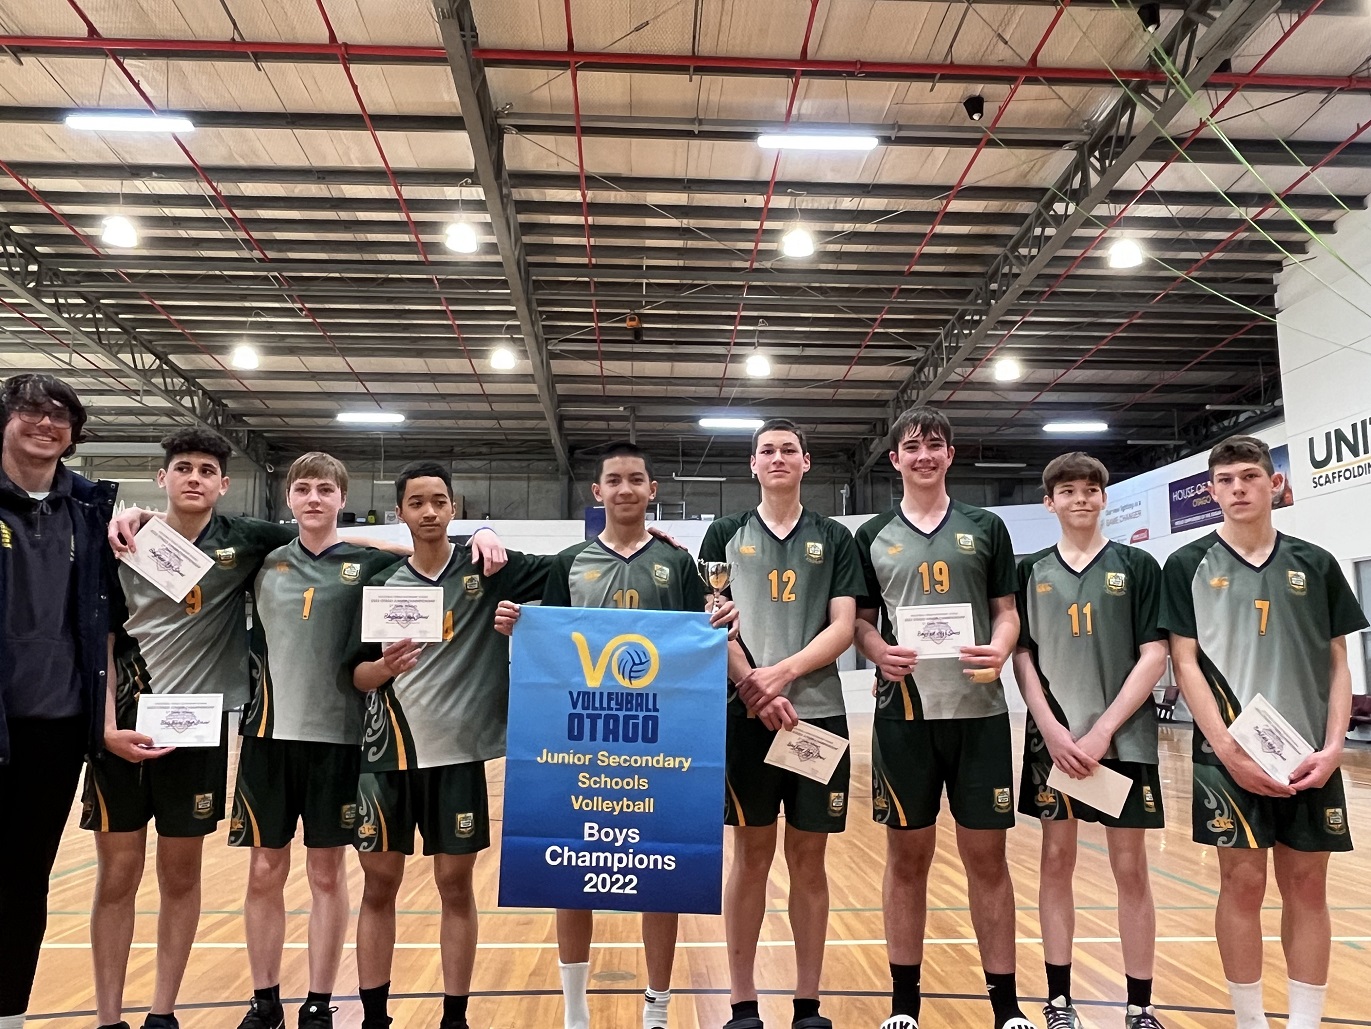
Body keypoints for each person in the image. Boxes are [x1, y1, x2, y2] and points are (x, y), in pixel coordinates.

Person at [493, 440, 736, 1029]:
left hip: (660, 745)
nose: (624, 489)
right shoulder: (568, 562)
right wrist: (516, 629)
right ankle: (575, 1011)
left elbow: (698, 647)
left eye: (636, 480)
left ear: (653, 490)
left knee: (662, 871)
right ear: (596, 493)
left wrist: (720, 620)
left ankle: (657, 1006)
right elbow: (548, 649)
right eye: (613, 480)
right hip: (581, 743)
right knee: (570, 868)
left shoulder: (677, 565)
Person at [87, 428, 298, 1029]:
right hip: (119, 730)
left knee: (181, 877)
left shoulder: (244, 539)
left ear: (225, 484)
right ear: (162, 478)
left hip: (196, 734)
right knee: (117, 878)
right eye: (183, 468)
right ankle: (108, 1019)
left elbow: (331, 539)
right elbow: (100, 640)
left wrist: (483, 533)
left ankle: (162, 1013)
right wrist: (104, 729)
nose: (195, 478)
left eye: (207, 470)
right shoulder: (122, 540)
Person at [1160, 435, 1367, 1029]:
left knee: (1307, 887)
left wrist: (1332, 750)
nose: (1238, 489)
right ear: (1210, 490)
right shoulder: (1187, 564)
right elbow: (1185, 661)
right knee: (1242, 884)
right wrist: (1228, 750)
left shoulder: (1317, 562)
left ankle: (1304, 1023)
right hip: (1228, 758)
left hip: (1310, 756)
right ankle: (1250, 1023)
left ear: (1274, 483)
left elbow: (1338, 663)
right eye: (1225, 481)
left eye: (1250, 476)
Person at [350, 461, 549, 1029]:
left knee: (455, 886)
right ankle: (372, 1017)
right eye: (418, 503)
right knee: (378, 885)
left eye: (440, 501)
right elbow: (356, 676)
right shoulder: (380, 584)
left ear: (454, 509)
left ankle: (454, 1017)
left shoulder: (487, 571)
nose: (430, 511)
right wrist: (382, 668)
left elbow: (578, 566)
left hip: (458, 759)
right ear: (401, 514)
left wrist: (655, 534)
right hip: (384, 757)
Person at [851, 407, 1033, 1029]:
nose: (923, 455)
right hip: (903, 716)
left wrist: (1002, 645)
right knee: (907, 861)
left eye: (934, 445)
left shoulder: (986, 526)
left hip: (979, 713)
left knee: (989, 861)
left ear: (950, 456)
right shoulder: (871, 533)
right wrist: (878, 653)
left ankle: (1006, 1007)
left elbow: (1005, 612)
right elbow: (862, 624)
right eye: (911, 447)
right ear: (895, 459)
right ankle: (905, 1007)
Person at [699, 419, 863, 1029]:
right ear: (752, 464)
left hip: (815, 719)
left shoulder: (835, 538)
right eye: (766, 450)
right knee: (751, 856)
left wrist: (780, 675)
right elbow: (714, 620)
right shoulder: (724, 532)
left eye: (788, 449)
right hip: (745, 718)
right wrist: (752, 685)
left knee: (809, 860)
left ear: (806, 462)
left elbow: (844, 626)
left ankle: (808, 1004)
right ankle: (743, 1003)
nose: (777, 458)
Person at [1013, 453, 1169, 1029]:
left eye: (1091, 490)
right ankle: (1059, 1000)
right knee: (1056, 861)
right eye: (1068, 491)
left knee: (1131, 869)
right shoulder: (1029, 571)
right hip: (1053, 743)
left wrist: (1104, 729)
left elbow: (1155, 653)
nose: (1081, 498)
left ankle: (1140, 1004)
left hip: (1123, 742)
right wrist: (1051, 729)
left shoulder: (1137, 565)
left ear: (1105, 498)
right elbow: (1021, 654)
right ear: (1048, 502)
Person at [0, 373, 117, 1029]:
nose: (45, 424)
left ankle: (8, 1012)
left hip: (55, 727)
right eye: (30, 411)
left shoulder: (89, 512)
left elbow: (104, 624)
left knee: (25, 878)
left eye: (60, 416)